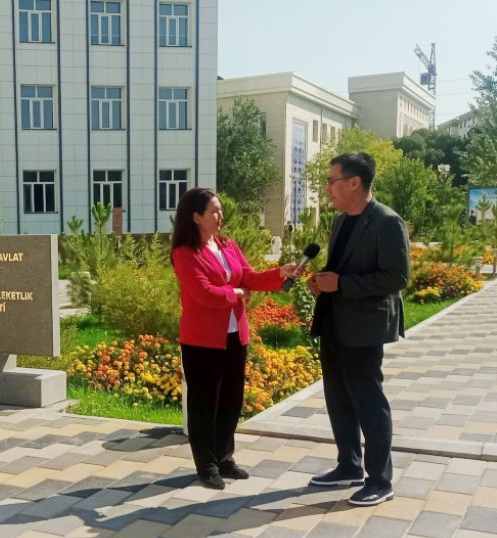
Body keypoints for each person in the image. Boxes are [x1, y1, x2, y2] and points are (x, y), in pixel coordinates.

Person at [171, 188, 301, 489]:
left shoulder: (227, 245)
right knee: (205, 404)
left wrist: (279, 273)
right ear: (196, 217)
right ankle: (206, 465)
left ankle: (224, 457)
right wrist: (237, 293)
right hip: (202, 341)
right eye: (214, 211)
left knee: (231, 400)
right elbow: (204, 294)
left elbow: (250, 276)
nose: (221, 215)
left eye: (220, 210)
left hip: (234, 335)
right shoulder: (185, 254)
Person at [307, 151, 410, 506]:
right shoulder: (340, 221)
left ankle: (380, 480)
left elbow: (397, 277)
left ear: (354, 182)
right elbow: (341, 268)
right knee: (338, 397)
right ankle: (348, 465)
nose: (327, 189)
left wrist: (342, 284)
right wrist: (322, 282)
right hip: (334, 322)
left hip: (364, 327)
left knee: (368, 401)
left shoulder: (387, 221)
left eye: (331, 181)